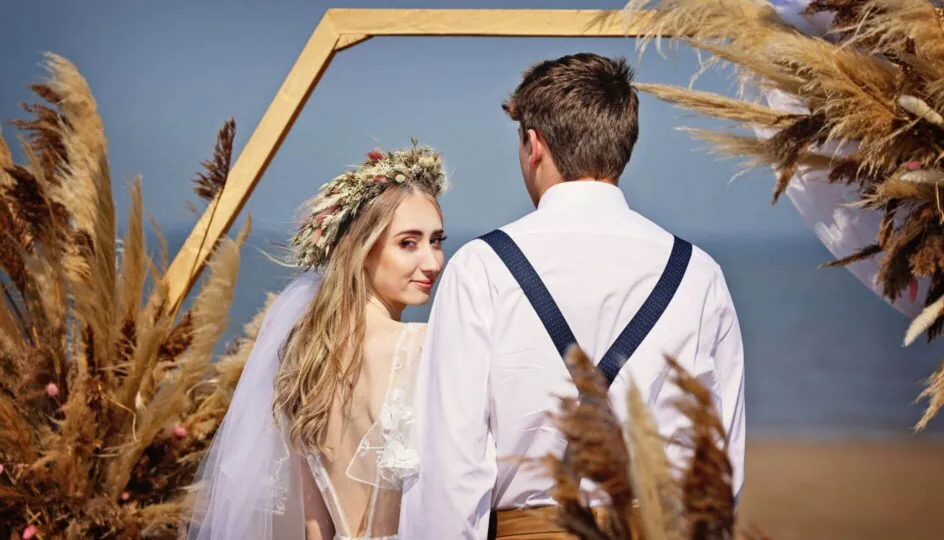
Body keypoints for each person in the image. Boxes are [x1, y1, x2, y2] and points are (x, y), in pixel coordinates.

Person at [398, 53, 745, 539]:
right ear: (624, 143)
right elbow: (717, 457)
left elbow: (451, 464)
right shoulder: (698, 274)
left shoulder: (483, 267)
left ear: (533, 144)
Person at [186, 142, 449, 540]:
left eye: (436, 240)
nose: (431, 262)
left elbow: (316, 528)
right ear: (362, 249)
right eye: (408, 243)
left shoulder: (308, 356)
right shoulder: (422, 347)